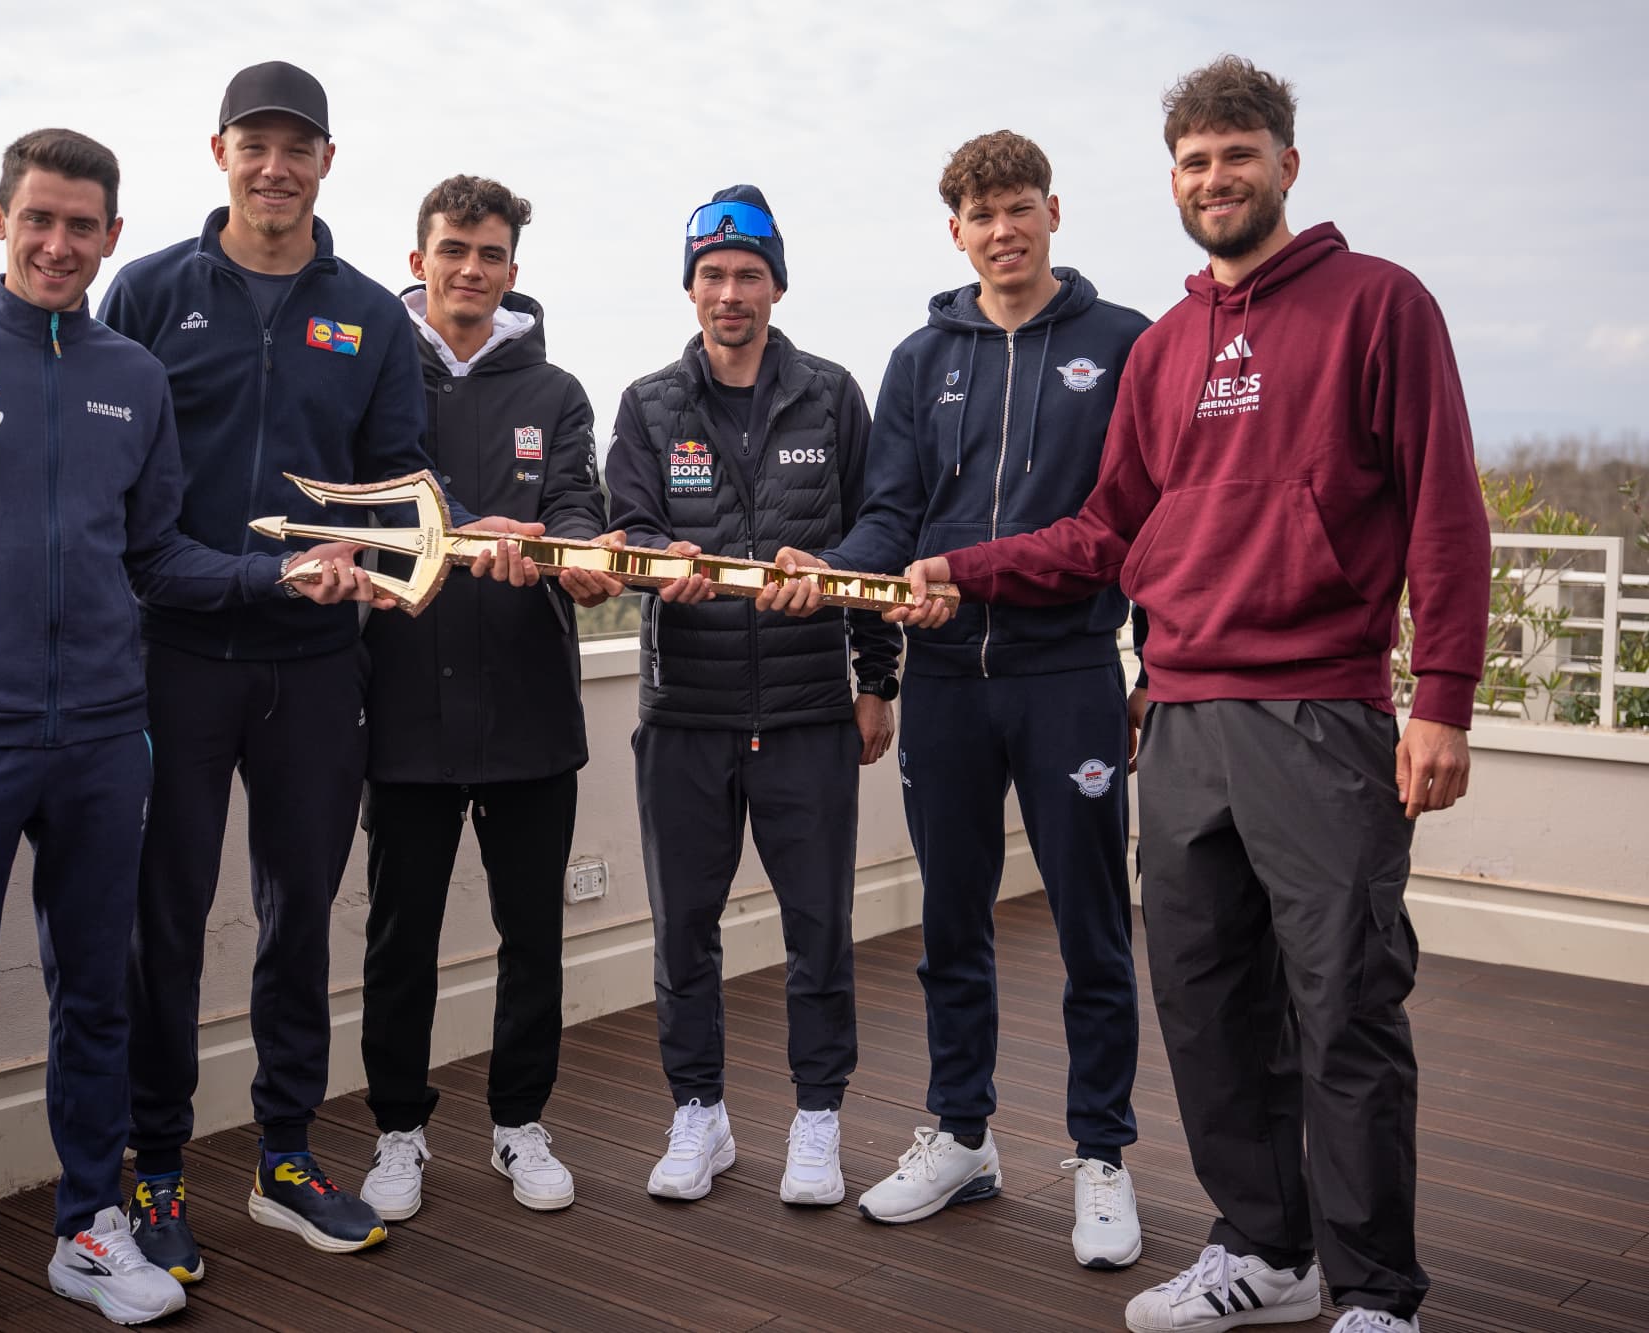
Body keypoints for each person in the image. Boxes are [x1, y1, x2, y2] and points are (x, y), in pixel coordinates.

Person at [894, 57, 1489, 1333]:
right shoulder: (1162, 351)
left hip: (1320, 714)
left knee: (1341, 1005)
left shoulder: (1378, 305)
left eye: (1235, 153)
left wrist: (1439, 692)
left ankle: (1376, 1289)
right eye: (1191, 160)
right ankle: (1264, 1250)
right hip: (1174, 717)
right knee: (1207, 1005)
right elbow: (1103, 530)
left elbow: (1444, 506)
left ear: (1285, 161)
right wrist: (958, 565)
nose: (1213, 178)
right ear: (1169, 180)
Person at [0, 128, 364, 1332]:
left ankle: (88, 1229)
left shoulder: (132, 377)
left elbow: (158, 557)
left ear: (112, 236)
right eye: (37, 220)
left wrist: (282, 579)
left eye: (81, 226)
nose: (58, 244)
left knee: (99, 1000)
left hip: (109, 742)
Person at [96, 63, 540, 1273]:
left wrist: (462, 531)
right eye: (256, 144)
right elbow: (110, 483)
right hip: (176, 657)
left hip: (312, 666)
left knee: (299, 922)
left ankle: (283, 1157)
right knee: (165, 926)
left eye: (298, 146)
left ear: (328, 162)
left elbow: (399, 484)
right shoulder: (146, 294)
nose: (275, 166)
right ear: (220, 151)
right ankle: (153, 1174)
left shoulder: (364, 315)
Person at [773, 130, 1151, 1266]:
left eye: (1017, 208)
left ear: (1051, 210)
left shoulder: (1121, 344)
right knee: (950, 922)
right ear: (955, 231)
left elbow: (1128, 531)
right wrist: (837, 569)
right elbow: (889, 514)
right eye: (978, 215)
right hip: (943, 681)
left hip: (1067, 675)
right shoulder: (916, 356)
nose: (1000, 230)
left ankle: (1099, 1154)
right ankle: (961, 1132)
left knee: (1091, 925)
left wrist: (1154, 663)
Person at [604, 185, 901, 1207]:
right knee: (683, 927)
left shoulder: (830, 393)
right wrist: (657, 559)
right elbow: (626, 528)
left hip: (811, 711)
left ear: (776, 284)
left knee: (816, 925)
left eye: (748, 274)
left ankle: (816, 1119)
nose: (729, 292)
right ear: (690, 288)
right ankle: (700, 1113)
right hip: (682, 711)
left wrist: (879, 681)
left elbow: (873, 540)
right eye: (712, 275)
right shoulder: (647, 403)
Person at [354, 175, 622, 1221]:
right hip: (403, 705)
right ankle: (397, 1131)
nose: (471, 269)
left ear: (515, 268)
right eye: (453, 249)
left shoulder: (555, 393)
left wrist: (573, 554)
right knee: (398, 937)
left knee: (532, 936)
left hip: (528, 710)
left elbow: (573, 508)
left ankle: (519, 1124)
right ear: (418, 257)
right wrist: (486, 531)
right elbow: (385, 498)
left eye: (491, 254)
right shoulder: (378, 375)